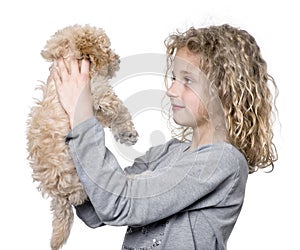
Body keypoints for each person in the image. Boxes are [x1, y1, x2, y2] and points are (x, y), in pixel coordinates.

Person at [51, 24, 278, 250]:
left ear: (223, 91)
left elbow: (119, 203)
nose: (172, 90)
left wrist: (82, 116)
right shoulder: (164, 154)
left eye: (187, 80)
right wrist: (62, 124)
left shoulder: (222, 162)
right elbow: (96, 210)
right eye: (174, 78)